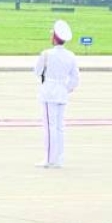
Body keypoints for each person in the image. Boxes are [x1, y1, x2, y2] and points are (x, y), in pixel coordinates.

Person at [34, 19, 79, 169]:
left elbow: (37, 71)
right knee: (59, 127)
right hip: (62, 92)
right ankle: (59, 158)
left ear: (54, 37)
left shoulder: (46, 54)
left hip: (49, 92)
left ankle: (48, 159)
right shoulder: (71, 56)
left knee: (49, 127)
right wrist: (66, 88)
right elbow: (75, 79)